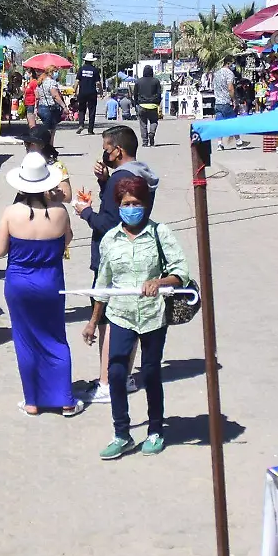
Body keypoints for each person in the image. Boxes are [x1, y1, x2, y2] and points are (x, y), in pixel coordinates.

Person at [83, 176, 189, 459]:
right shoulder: (110, 240)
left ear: (146, 205)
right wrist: (94, 321)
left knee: (151, 373)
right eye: (126, 204)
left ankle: (155, 430)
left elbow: (182, 272)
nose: (131, 208)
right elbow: (103, 284)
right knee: (116, 373)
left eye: (137, 203)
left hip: (153, 315)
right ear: (118, 206)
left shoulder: (159, 233)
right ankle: (122, 434)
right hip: (120, 315)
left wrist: (160, 281)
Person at [74, 126, 159, 403]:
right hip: (136, 252)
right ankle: (124, 376)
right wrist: (103, 183)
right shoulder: (139, 175)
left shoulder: (121, 178)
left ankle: (107, 382)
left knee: (110, 320)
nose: (104, 154)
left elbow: (109, 223)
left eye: (106, 149)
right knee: (128, 315)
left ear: (117, 150)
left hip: (113, 256)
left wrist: (84, 212)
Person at [0, 153, 83, 416]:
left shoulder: (11, 213)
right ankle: (65, 398)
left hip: (19, 282)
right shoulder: (59, 212)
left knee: (25, 340)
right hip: (50, 281)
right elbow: (67, 241)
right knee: (56, 337)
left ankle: (32, 400)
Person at [22, 125, 72, 203]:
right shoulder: (28, 164)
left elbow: (67, 196)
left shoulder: (57, 166)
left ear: (41, 146)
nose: (26, 147)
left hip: (50, 210)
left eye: (29, 144)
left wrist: (47, 195)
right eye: (25, 143)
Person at [132, 65, 164, 147]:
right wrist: (158, 103)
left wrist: (135, 104)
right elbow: (159, 94)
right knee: (154, 121)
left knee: (143, 124)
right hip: (153, 105)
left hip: (142, 105)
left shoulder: (138, 81)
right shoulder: (156, 81)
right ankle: (152, 133)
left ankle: (145, 142)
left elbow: (135, 94)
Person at [75, 53, 102, 135]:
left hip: (82, 92)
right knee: (92, 111)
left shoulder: (81, 69)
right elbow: (98, 83)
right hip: (92, 93)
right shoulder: (95, 70)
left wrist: (74, 91)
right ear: (92, 61)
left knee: (81, 109)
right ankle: (90, 130)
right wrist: (101, 91)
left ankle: (81, 124)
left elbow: (77, 81)